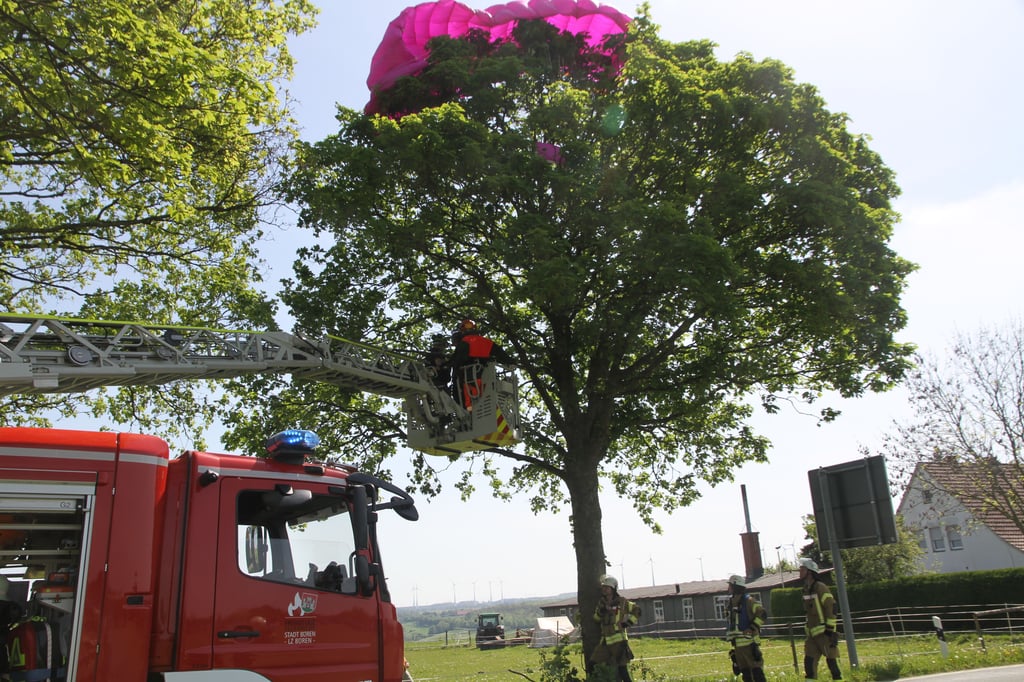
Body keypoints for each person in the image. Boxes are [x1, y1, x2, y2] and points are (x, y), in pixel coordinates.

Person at [448, 318, 513, 409]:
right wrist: (511, 362)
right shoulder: (487, 342)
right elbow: (502, 355)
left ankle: (466, 412)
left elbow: (458, 360)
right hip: (487, 377)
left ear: (462, 331)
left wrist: (450, 367)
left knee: (464, 400)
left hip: (469, 378)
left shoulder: (465, 342)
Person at [590, 573, 641, 682]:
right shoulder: (601, 603)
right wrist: (601, 611)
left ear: (612, 588)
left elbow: (637, 611)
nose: (603, 589)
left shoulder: (622, 602)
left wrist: (626, 624)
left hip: (619, 641)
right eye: (603, 587)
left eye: (606, 587)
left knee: (622, 670)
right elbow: (596, 618)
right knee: (592, 664)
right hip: (605, 641)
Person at [800, 557, 842, 680]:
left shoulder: (820, 587)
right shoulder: (806, 589)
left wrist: (830, 629)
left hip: (825, 634)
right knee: (809, 664)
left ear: (809, 572)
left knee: (832, 663)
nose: (800, 571)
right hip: (812, 635)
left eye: (802, 569)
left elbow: (831, 606)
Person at [726, 574, 767, 682]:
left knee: (757, 674)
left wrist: (752, 627)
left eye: (730, 585)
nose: (728, 588)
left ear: (735, 586)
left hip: (750, 644)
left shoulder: (749, 601)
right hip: (738, 647)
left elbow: (762, 614)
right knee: (746, 676)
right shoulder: (731, 603)